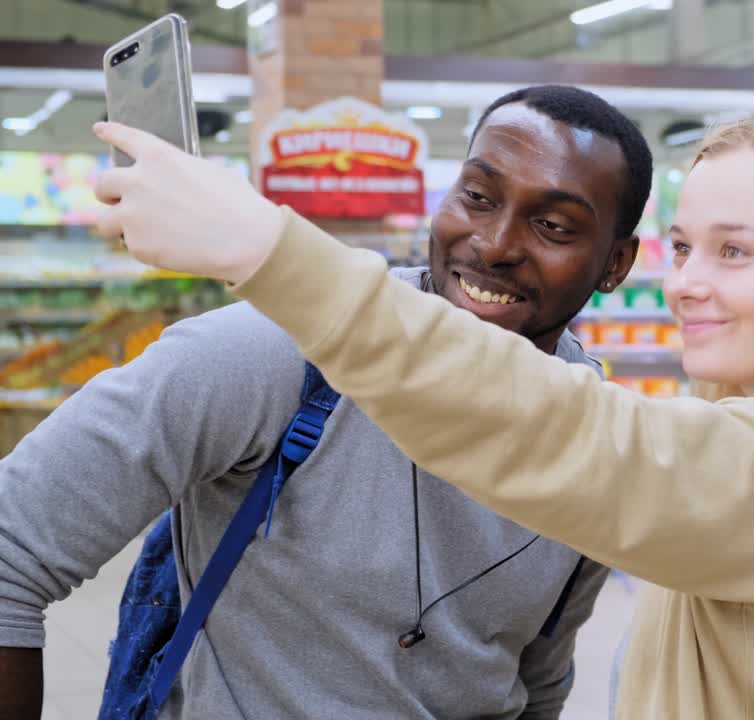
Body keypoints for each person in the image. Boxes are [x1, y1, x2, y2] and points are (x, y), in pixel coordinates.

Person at [95, 115, 754, 718]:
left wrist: (266, 250)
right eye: (685, 247)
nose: (689, 282)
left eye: (736, 251)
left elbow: (572, 437)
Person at [0, 84, 655, 719]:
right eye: (478, 196)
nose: (495, 243)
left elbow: (534, 678)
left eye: (553, 225)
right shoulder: (271, 357)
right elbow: (11, 547)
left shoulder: (597, 440)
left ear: (615, 265)